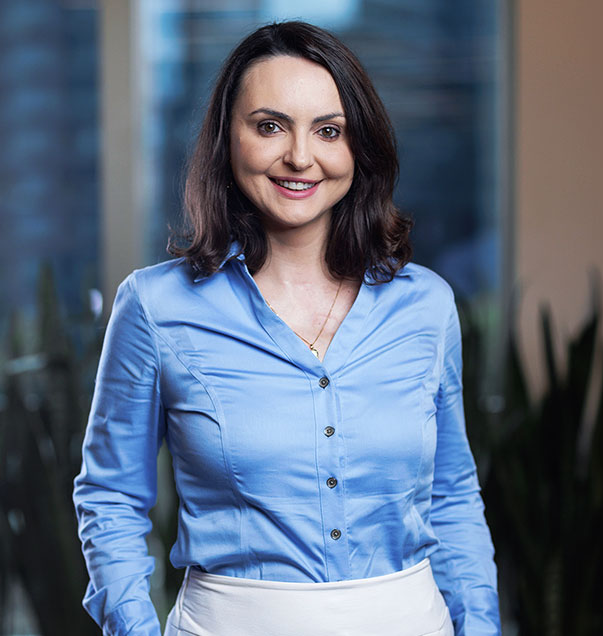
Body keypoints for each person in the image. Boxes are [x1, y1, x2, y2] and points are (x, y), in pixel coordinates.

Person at [73, 21, 499, 636]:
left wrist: (480, 624)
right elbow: (111, 497)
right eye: (269, 126)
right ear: (228, 139)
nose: (301, 157)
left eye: (330, 131)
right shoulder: (155, 306)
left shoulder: (427, 306)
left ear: (360, 148)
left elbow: (454, 496)